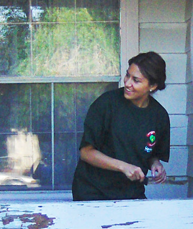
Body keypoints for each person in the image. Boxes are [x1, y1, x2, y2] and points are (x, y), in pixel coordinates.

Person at [71, 51, 170, 201]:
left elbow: (150, 152)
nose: (127, 83)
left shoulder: (159, 116)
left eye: (136, 80)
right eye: (127, 75)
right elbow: (86, 153)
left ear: (153, 86)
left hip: (131, 192)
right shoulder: (106, 104)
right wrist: (123, 166)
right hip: (93, 191)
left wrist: (155, 164)